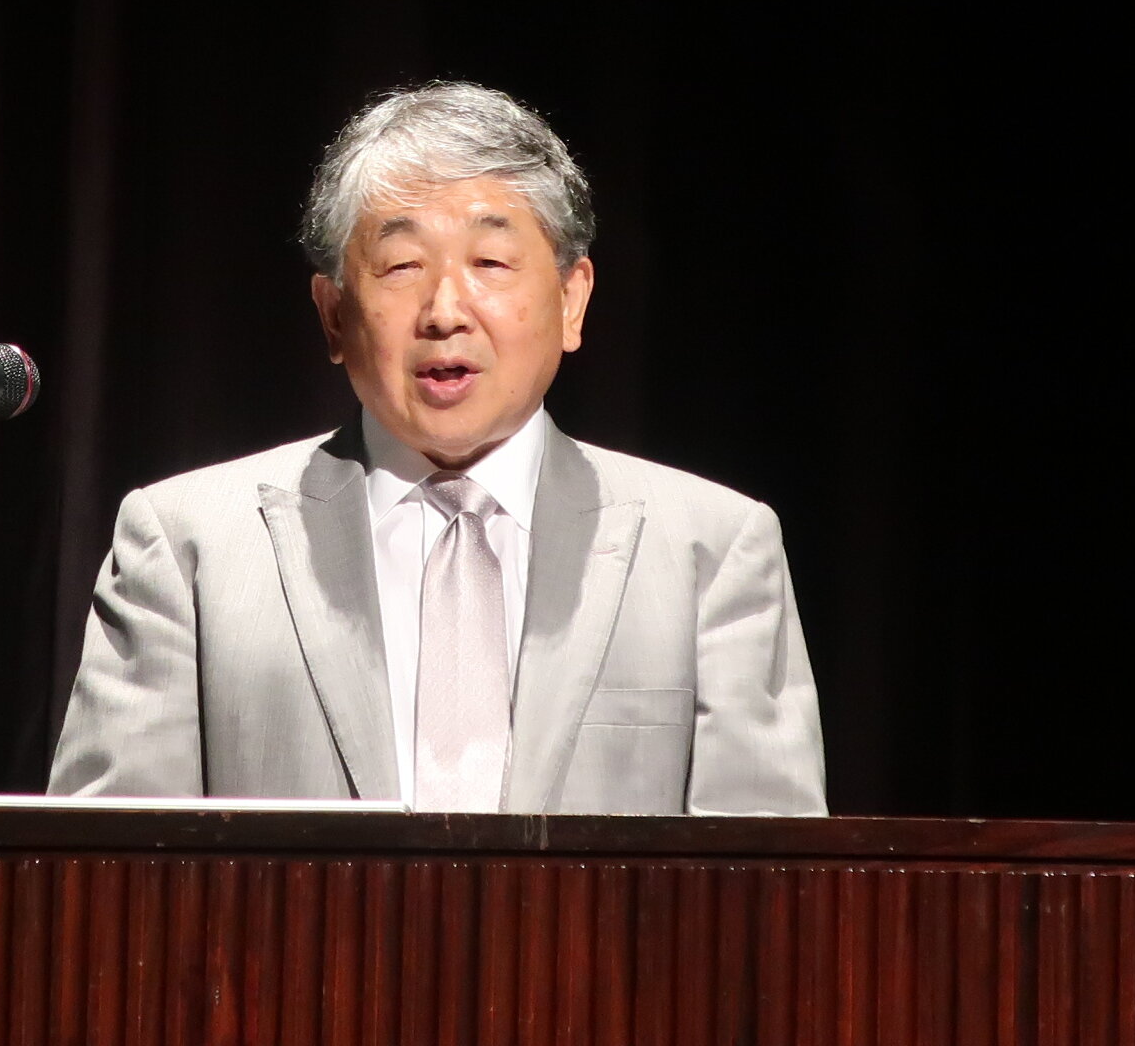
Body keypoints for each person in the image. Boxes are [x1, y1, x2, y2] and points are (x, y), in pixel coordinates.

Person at [49, 82, 824, 814]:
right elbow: (107, 874)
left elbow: (768, 882)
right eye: (402, 266)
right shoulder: (188, 548)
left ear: (571, 300)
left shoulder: (711, 553)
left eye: (490, 263)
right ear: (333, 315)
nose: (445, 310)